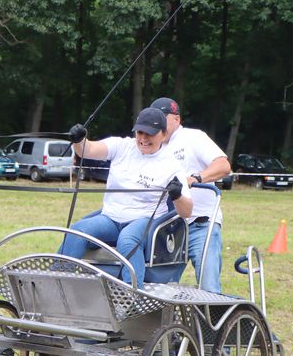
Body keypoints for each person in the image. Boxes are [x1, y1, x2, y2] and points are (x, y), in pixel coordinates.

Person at [60, 107, 192, 288]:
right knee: (77, 230)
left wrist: (177, 195)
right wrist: (78, 139)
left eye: (150, 134)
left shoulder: (172, 165)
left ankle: (133, 293)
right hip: (111, 218)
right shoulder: (121, 146)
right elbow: (86, 150)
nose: (143, 139)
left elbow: (187, 211)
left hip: (145, 220)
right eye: (140, 133)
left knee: (127, 239)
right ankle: (57, 280)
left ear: (163, 134)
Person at [150, 97, 232, 293]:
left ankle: (214, 321)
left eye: (162, 117)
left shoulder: (194, 138)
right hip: (168, 228)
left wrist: (195, 178)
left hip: (200, 224)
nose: (157, 123)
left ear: (176, 119)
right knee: (159, 286)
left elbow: (223, 165)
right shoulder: (153, 145)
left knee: (208, 285)